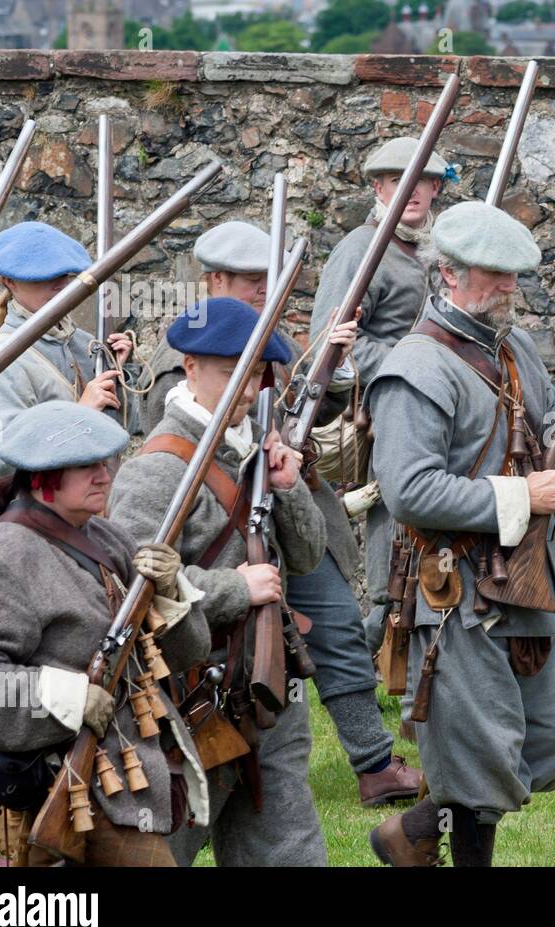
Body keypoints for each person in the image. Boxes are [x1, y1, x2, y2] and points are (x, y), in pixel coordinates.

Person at [367, 201, 555, 867]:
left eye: (515, 275)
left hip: (524, 580)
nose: (511, 287)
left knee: (543, 746)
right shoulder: (415, 367)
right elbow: (408, 490)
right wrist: (520, 496)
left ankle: (413, 831)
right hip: (455, 590)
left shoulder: (511, 349)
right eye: (496, 275)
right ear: (449, 274)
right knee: (480, 760)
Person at [144, 220, 421, 806]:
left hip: (288, 509)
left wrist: (337, 366)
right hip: (222, 525)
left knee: (339, 627)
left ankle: (373, 764)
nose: (263, 292)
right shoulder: (184, 351)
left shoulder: (273, 340)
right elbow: (177, 447)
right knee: (222, 647)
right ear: (214, 279)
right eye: (250, 281)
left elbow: (311, 409)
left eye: (268, 281)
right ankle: (208, 753)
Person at [111, 298, 332, 865]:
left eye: (256, 369)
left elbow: (305, 558)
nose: (246, 383)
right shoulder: (155, 469)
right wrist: (235, 589)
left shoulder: (256, 450)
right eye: (228, 366)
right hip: (188, 702)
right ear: (188, 367)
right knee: (160, 851)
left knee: (288, 852)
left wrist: (288, 485)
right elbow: (130, 591)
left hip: (269, 692)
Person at [0, 401, 208, 866]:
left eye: (104, 463)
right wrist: (69, 699)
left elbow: (188, 653)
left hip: (133, 780)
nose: (105, 476)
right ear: (43, 477)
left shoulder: (109, 539)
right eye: (87, 467)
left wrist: (171, 590)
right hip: (62, 787)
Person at [309, 137, 452, 655]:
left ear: (436, 188)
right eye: (399, 181)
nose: (411, 191)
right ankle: (358, 655)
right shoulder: (360, 250)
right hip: (383, 411)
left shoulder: (435, 250)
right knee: (391, 535)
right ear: (379, 187)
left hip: (440, 410)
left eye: (422, 182)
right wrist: (407, 368)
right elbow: (327, 343)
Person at [0, 222, 132, 567]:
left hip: (82, 521)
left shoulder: (85, 343)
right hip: (18, 525)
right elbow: (2, 457)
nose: (58, 284)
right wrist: (80, 414)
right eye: (41, 277)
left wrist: (123, 374)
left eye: (64, 275)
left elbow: (123, 433)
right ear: (10, 282)